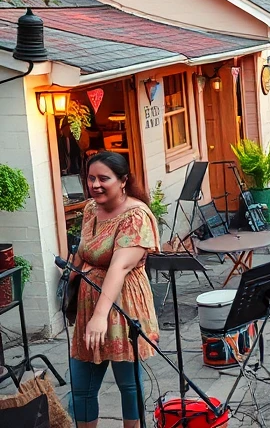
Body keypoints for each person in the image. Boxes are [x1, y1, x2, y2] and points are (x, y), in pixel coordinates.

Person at [69, 151, 160, 428]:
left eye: (103, 179)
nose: (95, 185)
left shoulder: (136, 216)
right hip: (89, 304)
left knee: (128, 385)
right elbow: (83, 251)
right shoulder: (89, 209)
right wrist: (73, 274)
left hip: (123, 306)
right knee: (81, 385)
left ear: (123, 181)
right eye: (91, 178)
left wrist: (100, 316)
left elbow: (119, 267)